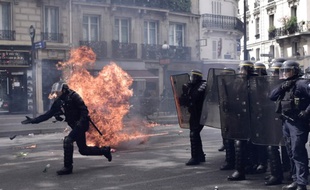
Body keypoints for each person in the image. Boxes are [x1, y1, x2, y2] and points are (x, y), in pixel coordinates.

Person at [21, 81, 112, 175]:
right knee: (83, 150)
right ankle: (105, 151)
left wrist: (80, 123)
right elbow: (48, 115)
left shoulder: (74, 96)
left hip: (82, 124)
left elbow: (84, 111)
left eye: (58, 91)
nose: (56, 94)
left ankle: (68, 167)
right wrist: (33, 120)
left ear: (64, 90)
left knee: (68, 140)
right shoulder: (59, 101)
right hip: (74, 125)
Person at [269, 60, 310, 190]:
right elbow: (271, 96)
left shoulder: (302, 83)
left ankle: (302, 183)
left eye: (288, 70)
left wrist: (306, 112)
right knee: (290, 152)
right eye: (284, 71)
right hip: (286, 121)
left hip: (298, 123)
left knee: (298, 151)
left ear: (295, 71)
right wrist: (282, 87)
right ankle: (295, 180)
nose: (285, 73)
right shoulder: (285, 85)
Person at [227, 61, 258, 181]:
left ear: (249, 70)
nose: (241, 72)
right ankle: (240, 170)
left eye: (243, 69)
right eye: (239, 69)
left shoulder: (255, 82)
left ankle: (249, 166)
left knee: (252, 144)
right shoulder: (237, 83)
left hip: (253, 117)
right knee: (239, 143)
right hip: (240, 117)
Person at [179, 70, 207, 165]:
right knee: (195, 133)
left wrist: (189, 92)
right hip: (193, 113)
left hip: (200, 113)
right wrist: (185, 92)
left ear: (198, 78)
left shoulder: (202, 85)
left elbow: (195, 97)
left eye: (194, 77)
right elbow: (184, 101)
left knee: (194, 133)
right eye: (192, 76)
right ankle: (200, 155)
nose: (192, 78)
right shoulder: (190, 86)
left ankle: (195, 157)